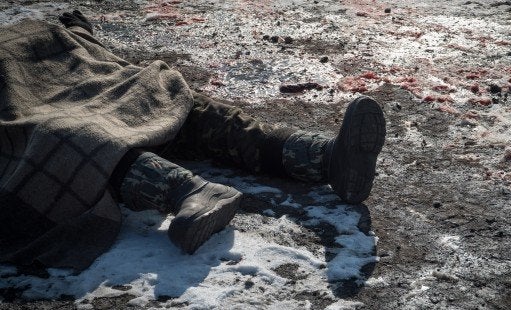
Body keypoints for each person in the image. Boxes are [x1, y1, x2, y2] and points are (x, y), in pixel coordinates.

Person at [0, 11, 385, 271]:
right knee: (72, 140)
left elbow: (73, 47)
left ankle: (323, 157)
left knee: (175, 102)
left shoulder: (30, 26)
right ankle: (187, 192)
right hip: (52, 117)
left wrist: (75, 37)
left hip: (88, 86)